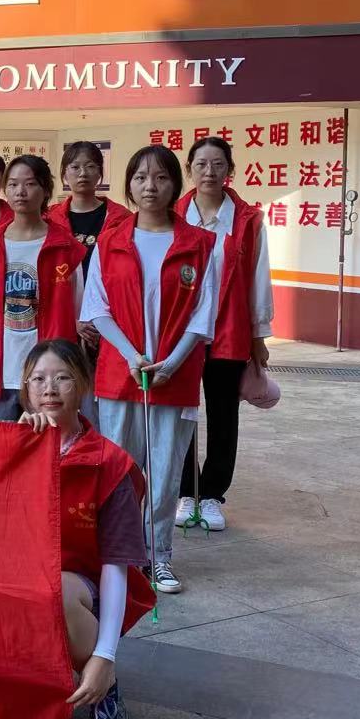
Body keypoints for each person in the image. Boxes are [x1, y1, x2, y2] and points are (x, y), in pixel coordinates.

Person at [79, 145, 220, 595]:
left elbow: (203, 316)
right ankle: (119, 557)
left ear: (175, 185)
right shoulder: (110, 241)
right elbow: (97, 309)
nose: (150, 187)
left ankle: (158, 556)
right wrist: (130, 356)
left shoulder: (200, 245)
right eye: (140, 178)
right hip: (120, 376)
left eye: (160, 178)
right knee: (120, 471)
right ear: (129, 185)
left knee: (164, 471)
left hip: (174, 378)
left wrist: (171, 363)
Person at [16, 339, 150, 719]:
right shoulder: (12, 447)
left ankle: (105, 693)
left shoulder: (110, 465)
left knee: (55, 592)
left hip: (82, 588)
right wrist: (13, 449)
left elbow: (116, 566)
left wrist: (105, 656)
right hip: (23, 576)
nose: (49, 389)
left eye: (62, 378)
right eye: (38, 379)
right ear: (25, 388)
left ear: (84, 386)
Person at [175, 137, 275, 532]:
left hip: (228, 330)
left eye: (218, 164)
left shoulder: (247, 220)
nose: (209, 172)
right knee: (181, 413)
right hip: (180, 332)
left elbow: (258, 279)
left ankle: (213, 495)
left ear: (230, 169)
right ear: (190, 169)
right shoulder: (174, 215)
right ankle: (186, 491)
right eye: (201, 164)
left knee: (222, 415)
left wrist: (259, 336)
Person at [0, 155, 86, 422]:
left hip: (49, 376)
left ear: (46, 190)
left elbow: (78, 310)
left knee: (48, 442)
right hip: (0, 368)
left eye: (30, 184)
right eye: (13, 184)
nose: (20, 192)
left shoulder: (66, 248)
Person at [48, 141, 131, 270]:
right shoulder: (50, 218)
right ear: (65, 174)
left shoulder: (122, 218)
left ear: (100, 173)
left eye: (90, 166)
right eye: (75, 167)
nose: (83, 173)